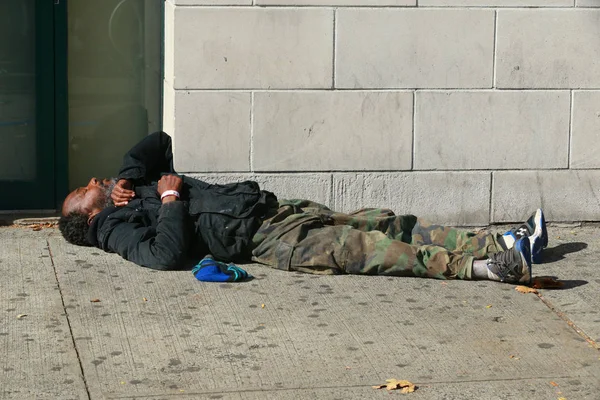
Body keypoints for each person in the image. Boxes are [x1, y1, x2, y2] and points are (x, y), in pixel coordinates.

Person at [59, 132, 547, 285]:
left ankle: (504, 242)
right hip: (264, 240)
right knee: (368, 248)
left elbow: (158, 141)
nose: (91, 181)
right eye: (84, 190)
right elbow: (163, 255)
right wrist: (168, 199)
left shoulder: (127, 186)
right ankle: (485, 268)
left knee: (383, 222)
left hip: (269, 209)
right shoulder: (116, 233)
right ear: (87, 216)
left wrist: (126, 175)